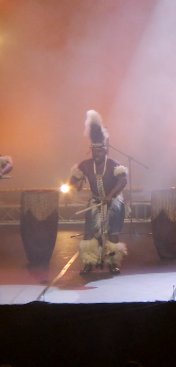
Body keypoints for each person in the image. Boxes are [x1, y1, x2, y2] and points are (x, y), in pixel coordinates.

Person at [68, 110, 128, 274]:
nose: (97, 154)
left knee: (113, 234)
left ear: (105, 150)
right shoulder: (86, 165)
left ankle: (113, 262)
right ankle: (89, 262)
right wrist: (75, 183)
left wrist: (111, 195)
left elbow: (123, 180)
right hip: (95, 202)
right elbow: (73, 181)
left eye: (100, 151)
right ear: (91, 150)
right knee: (89, 234)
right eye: (94, 151)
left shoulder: (113, 164)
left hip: (114, 202)